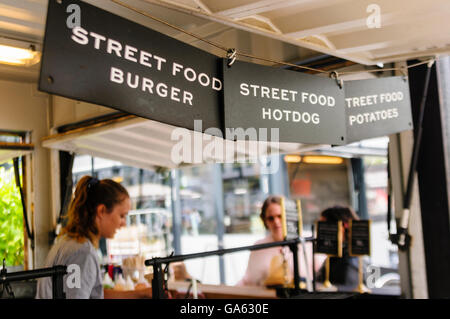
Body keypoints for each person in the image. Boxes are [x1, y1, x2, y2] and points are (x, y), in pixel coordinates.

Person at [35, 175, 153, 299]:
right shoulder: (82, 253)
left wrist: (140, 294)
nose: (124, 223)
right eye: (122, 216)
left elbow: (92, 293)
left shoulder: (70, 242)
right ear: (101, 211)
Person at [236, 195, 325, 287]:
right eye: (271, 218)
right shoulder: (259, 246)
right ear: (265, 221)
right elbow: (248, 281)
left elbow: (323, 277)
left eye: (280, 216)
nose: (276, 222)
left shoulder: (308, 241)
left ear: (290, 216)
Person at [315, 205, 362, 291]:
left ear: (342, 227)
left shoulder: (350, 258)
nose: (319, 232)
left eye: (324, 226)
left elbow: (349, 288)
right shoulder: (334, 256)